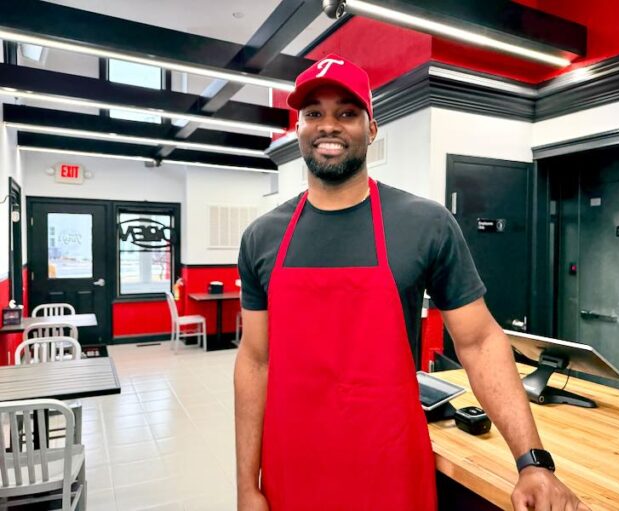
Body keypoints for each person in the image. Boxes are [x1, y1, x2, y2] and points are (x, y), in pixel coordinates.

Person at [234, 54, 590, 511]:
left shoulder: (425, 224)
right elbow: (255, 361)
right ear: (298, 128)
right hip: (293, 469)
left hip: (391, 469)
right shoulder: (262, 236)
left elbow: (480, 342)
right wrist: (246, 486)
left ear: (371, 129)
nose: (329, 126)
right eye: (314, 113)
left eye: (347, 113)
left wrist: (532, 462)